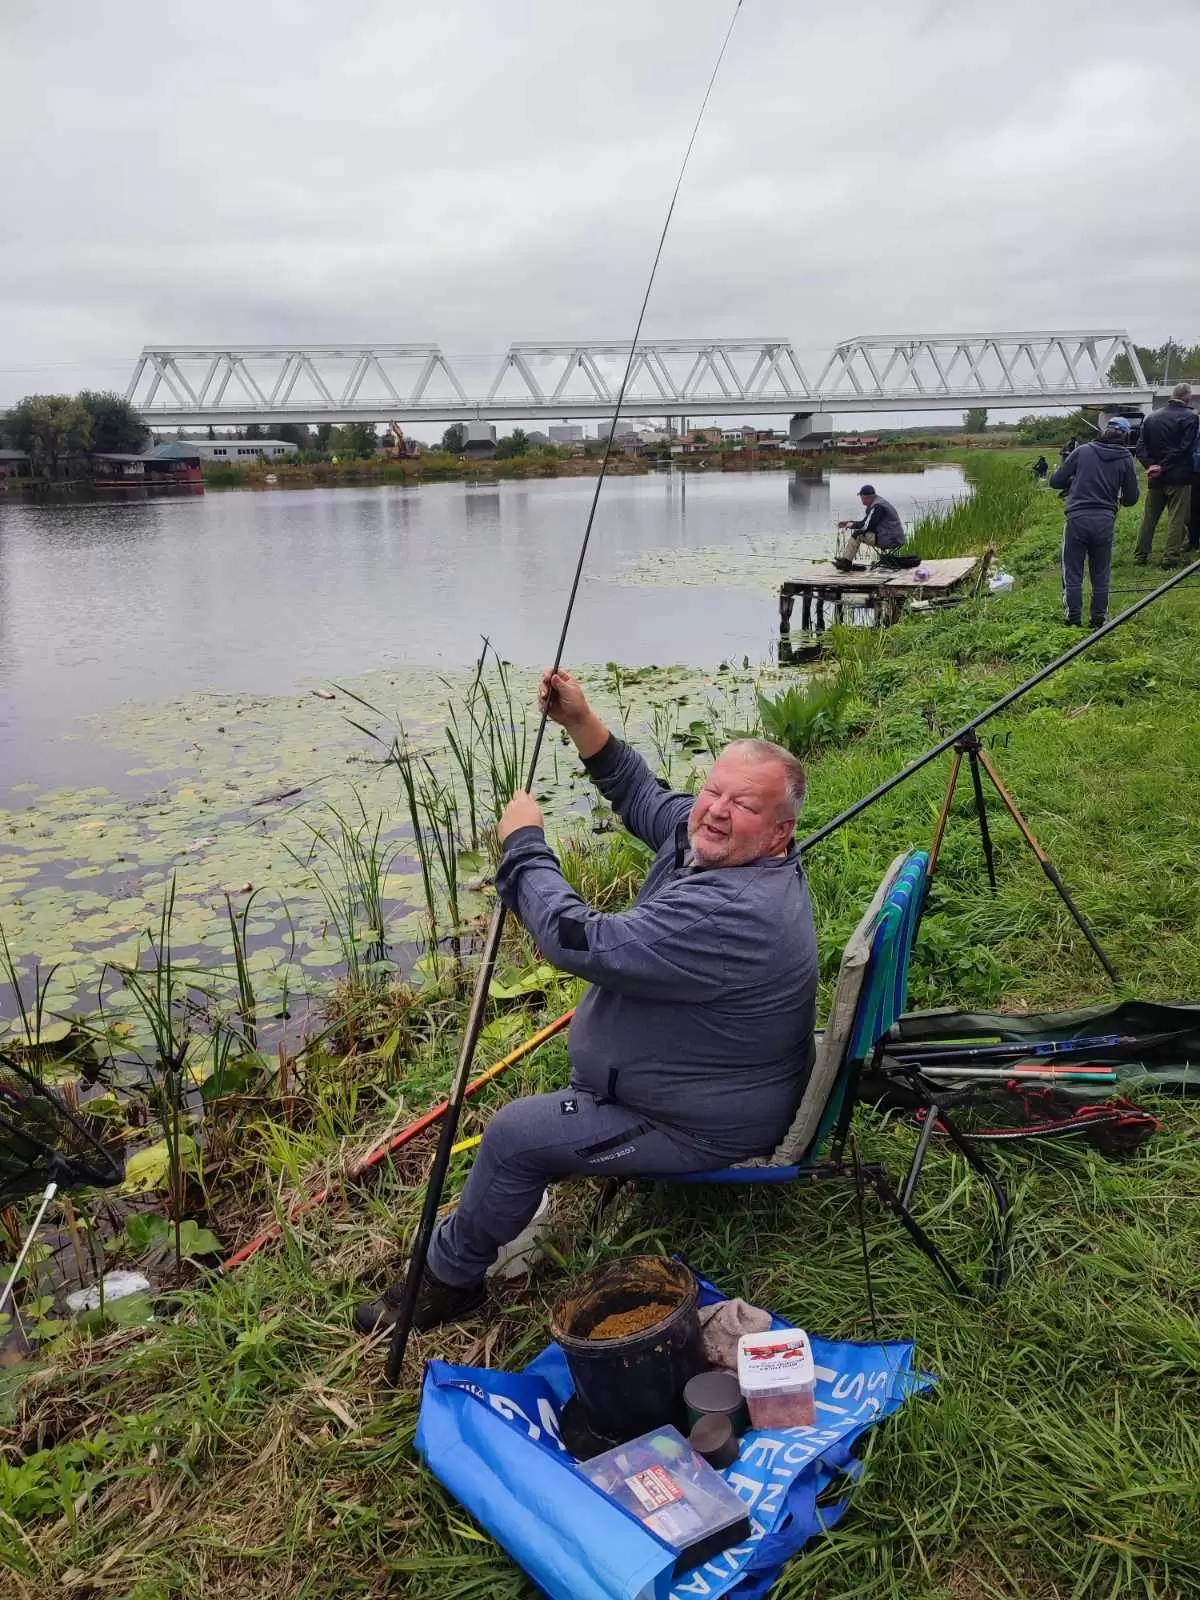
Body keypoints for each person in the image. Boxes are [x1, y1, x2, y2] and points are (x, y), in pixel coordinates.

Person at [353, 670, 819, 1336]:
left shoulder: (733, 912)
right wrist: (580, 721)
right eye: (714, 789)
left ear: (779, 833)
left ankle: (444, 1284)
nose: (715, 809)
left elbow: (575, 939)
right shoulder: (717, 848)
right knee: (531, 1130)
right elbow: (643, 795)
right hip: (698, 1083)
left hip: (703, 1124)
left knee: (514, 1136)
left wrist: (523, 845)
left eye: (742, 804)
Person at [1049, 417, 1139, 628]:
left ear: (1104, 430)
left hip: (1077, 519)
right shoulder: (1126, 457)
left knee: (1072, 572)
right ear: (1125, 436)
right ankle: (1098, 620)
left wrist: (1074, 479)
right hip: (1105, 520)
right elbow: (1133, 497)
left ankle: (1073, 619)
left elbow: (1055, 481)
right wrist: (1120, 499)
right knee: (1101, 573)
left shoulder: (1083, 451)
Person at [1134, 382, 1199, 569]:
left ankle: (1141, 555)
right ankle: (1170, 557)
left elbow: (1140, 447)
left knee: (1150, 517)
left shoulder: (1151, 417)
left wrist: (1151, 465)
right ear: (1187, 397)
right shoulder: (1190, 417)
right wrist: (1163, 466)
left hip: (1155, 476)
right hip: (1179, 476)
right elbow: (1184, 448)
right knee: (1176, 518)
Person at [834, 484, 905, 571]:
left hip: (890, 540)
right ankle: (846, 562)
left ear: (868, 497)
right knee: (859, 532)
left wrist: (850, 525)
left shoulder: (878, 506)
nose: (861, 500)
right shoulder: (878, 503)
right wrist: (849, 522)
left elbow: (866, 526)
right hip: (893, 537)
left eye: (862, 498)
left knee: (857, 534)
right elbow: (866, 523)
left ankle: (846, 563)